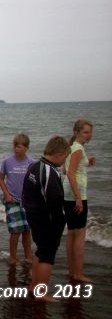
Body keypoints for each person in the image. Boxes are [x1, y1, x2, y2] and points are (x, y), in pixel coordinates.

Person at [22, 135, 70, 302]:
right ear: (59, 154)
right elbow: (54, 199)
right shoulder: (49, 171)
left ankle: (34, 286)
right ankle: (41, 293)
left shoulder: (34, 166)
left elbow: (25, 192)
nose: (64, 161)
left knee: (40, 250)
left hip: (33, 215)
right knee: (47, 255)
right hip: (46, 219)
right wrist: (60, 220)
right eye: (65, 157)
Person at [63, 119, 96, 283]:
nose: (89, 135)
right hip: (76, 195)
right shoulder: (77, 149)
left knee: (72, 233)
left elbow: (65, 169)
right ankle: (78, 274)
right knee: (79, 234)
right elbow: (70, 173)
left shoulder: (71, 148)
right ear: (76, 132)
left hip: (67, 194)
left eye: (90, 132)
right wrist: (78, 198)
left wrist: (87, 163)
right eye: (85, 132)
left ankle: (72, 271)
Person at [0, 132, 35, 265]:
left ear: (26, 147)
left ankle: (28, 256)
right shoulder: (7, 162)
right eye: (15, 146)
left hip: (27, 202)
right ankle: (13, 257)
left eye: (19, 146)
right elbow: (1, 179)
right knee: (15, 230)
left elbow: (34, 182)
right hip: (12, 201)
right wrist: (6, 194)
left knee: (27, 230)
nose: (16, 149)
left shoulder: (32, 163)